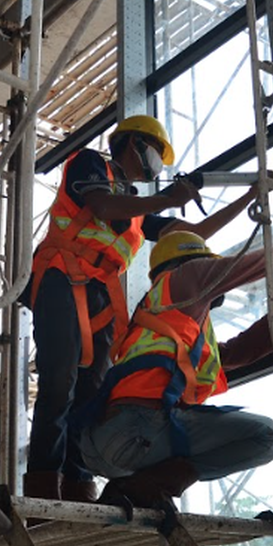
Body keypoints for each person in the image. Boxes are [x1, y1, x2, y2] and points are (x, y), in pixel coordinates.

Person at [23, 115, 259, 503]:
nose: (156, 164)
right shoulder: (90, 165)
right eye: (154, 152)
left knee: (91, 391)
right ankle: (43, 487)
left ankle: (78, 484)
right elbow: (101, 205)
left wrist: (247, 199)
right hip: (62, 278)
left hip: (99, 293)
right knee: (58, 381)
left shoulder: (137, 209)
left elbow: (192, 233)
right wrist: (168, 198)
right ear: (133, 143)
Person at [75, 230, 273, 512]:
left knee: (257, 435)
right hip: (139, 430)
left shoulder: (165, 317)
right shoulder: (186, 277)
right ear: (192, 261)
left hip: (102, 444)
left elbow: (237, 353)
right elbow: (258, 263)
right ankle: (149, 485)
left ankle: (138, 484)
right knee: (266, 437)